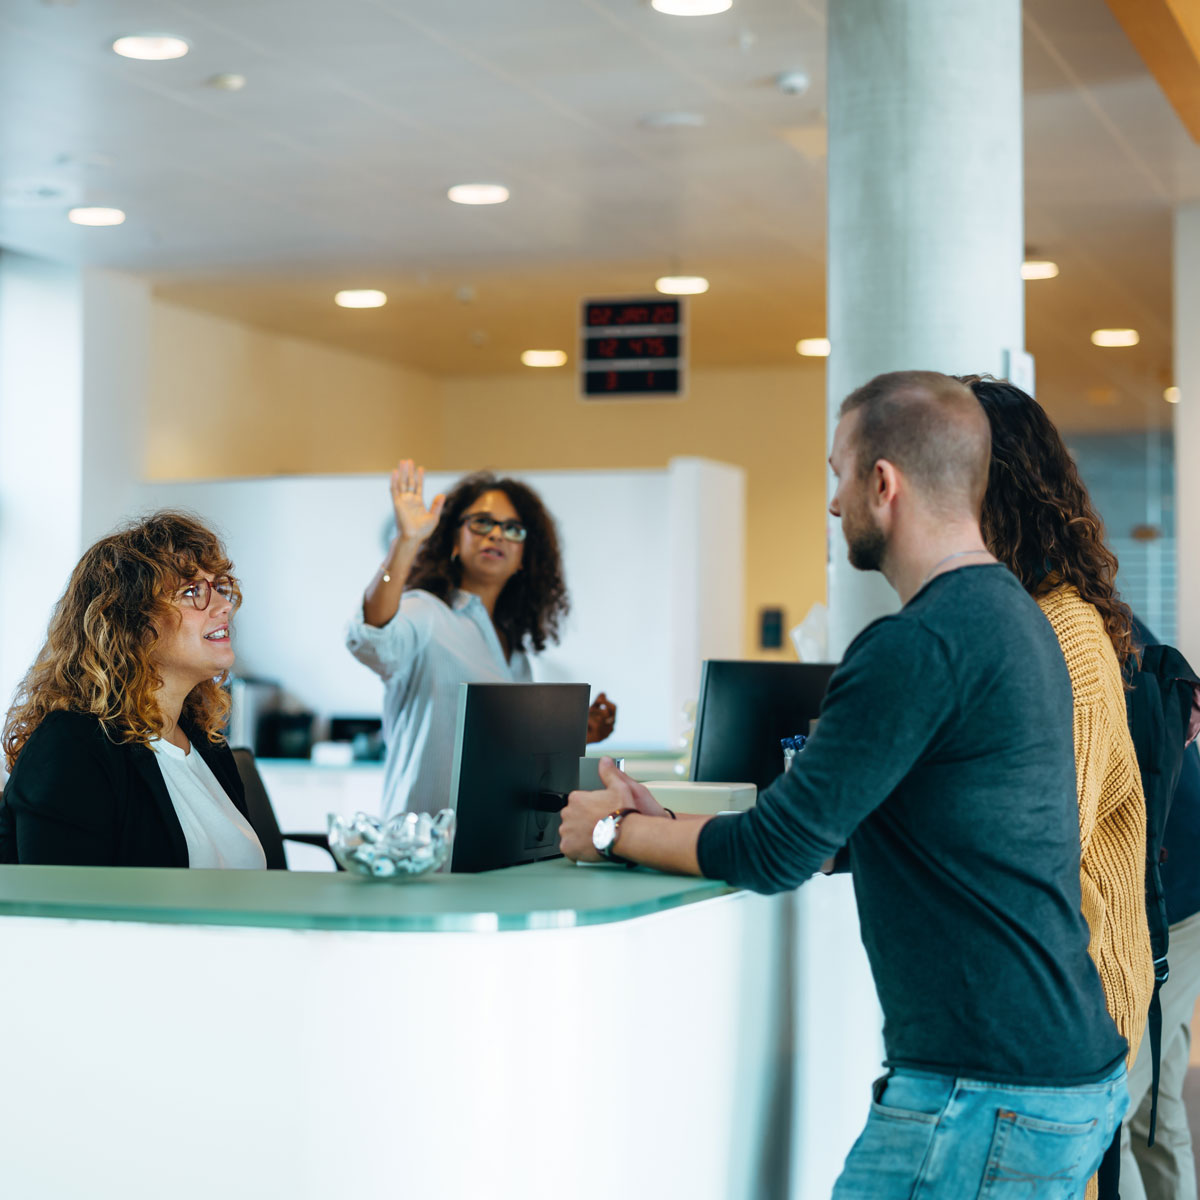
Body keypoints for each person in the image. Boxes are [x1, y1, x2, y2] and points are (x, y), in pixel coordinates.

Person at [559, 370, 1128, 1198]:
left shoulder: (916, 645)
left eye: (837, 474)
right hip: (1055, 1067)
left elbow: (776, 853)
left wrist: (613, 832)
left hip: (986, 1087)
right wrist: (672, 819)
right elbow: (842, 819)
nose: (833, 503)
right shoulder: (1016, 617)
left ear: (883, 482)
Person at [966, 375, 1153, 1074]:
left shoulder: (1062, 630)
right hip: (1050, 1003)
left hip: (1077, 1005)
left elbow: (1043, 846)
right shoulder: (1015, 621)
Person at [346, 460, 617, 817]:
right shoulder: (425, 612)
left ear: (524, 557)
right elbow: (371, 640)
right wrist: (406, 543)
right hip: (420, 852)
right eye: (482, 522)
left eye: (513, 528)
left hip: (489, 844)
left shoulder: (514, 653)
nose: (496, 534)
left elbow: (510, 756)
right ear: (454, 540)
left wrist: (572, 738)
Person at [0, 512, 266, 869]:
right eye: (191, 592)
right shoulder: (71, 748)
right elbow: (65, 914)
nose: (224, 605)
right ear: (132, 624)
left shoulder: (206, 742)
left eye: (219, 587)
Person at [1120, 617, 1200, 1200]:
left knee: (1113, 1109)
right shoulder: (1114, 622)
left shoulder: (1084, 630)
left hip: (1175, 901)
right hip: (1177, 890)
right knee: (1155, 1106)